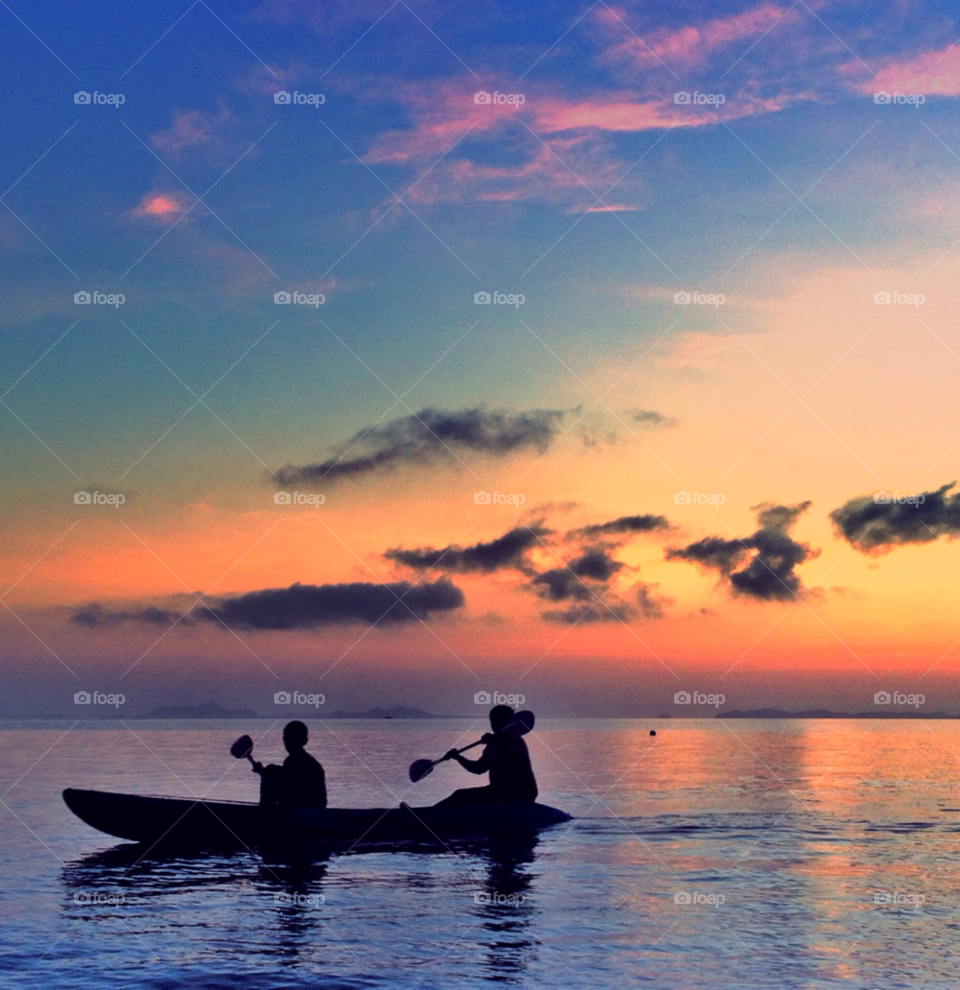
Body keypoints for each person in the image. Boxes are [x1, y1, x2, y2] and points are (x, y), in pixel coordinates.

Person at [435, 705, 538, 806]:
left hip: (521, 792)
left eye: (499, 720)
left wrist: (495, 742)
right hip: (499, 792)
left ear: (508, 722)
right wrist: (458, 757)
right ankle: (433, 812)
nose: (495, 725)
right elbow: (479, 769)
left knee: (460, 795)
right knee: (459, 795)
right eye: (493, 721)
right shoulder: (493, 744)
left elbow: (511, 754)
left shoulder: (516, 741)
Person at [252, 720, 327, 809]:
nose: (287, 742)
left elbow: (292, 787)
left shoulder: (298, 762)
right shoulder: (309, 762)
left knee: (270, 770)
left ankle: (265, 812)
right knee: (270, 771)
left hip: (305, 809)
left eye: (291, 738)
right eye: (286, 738)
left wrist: (265, 773)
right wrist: (263, 772)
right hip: (313, 808)